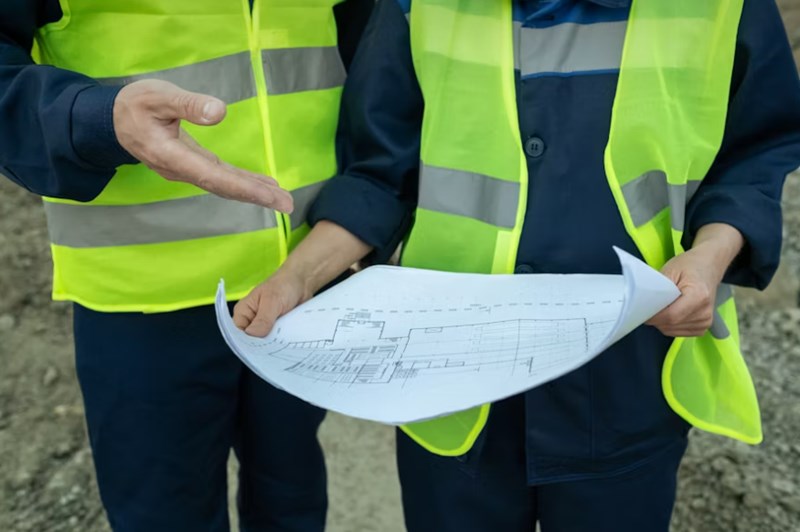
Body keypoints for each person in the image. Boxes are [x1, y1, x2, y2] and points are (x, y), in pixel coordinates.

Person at [234, 0, 800, 530]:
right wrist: (297, 279)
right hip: (449, 389)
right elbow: (379, 175)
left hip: (627, 379)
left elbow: (753, 151)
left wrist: (710, 254)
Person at [0, 1, 372, 530]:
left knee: (293, 499)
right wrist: (94, 117)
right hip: (142, 300)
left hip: (301, 279)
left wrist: (360, 212)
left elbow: (365, 49)